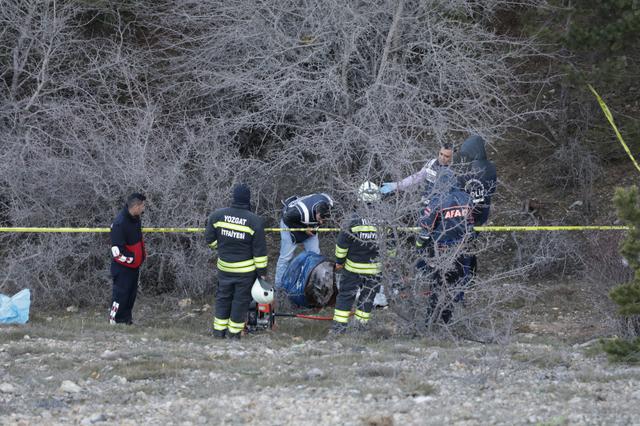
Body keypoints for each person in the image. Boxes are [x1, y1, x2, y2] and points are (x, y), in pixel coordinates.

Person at [205, 184, 268, 339]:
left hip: (224, 268)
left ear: (233, 197)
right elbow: (259, 252)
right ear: (248, 200)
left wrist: (221, 249)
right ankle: (234, 335)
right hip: (245, 272)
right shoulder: (255, 221)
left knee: (223, 299)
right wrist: (262, 274)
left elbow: (209, 239)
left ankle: (218, 333)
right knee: (240, 302)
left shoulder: (217, 216)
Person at [416, 169, 473, 325]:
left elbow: (425, 232)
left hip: (440, 251)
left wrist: (419, 247)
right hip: (461, 251)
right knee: (453, 287)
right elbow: (470, 227)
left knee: (437, 287)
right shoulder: (467, 199)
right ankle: (446, 322)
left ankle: (431, 321)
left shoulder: (436, 201)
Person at [331, 182, 382, 334]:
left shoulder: (352, 220)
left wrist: (339, 262)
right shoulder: (385, 220)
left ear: (359, 198)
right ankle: (360, 329)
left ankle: (338, 329)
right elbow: (391, 246)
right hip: (375, 270)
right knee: (367, 299)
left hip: (353, 268)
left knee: (345, 297)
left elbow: (341, 246)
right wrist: (389, 262)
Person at [274, 193, 334, 287]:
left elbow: (320, 219)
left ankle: (314, 284)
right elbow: (286, 219)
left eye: (325, 220)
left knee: (315, 255)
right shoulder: (300, 212)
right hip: (290, 223)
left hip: (308, 224)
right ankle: (278, 287)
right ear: (317, 212)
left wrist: (313, 228)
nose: (322, 222)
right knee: (286, 257)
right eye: (320, 218)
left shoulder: (329, 204)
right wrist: (304, 229)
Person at [109, 193, 147, 325]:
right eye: (142, 206)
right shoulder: (120, 223)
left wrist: (140, 259)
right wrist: (133, 259)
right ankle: (115, 320)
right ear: (136, 206)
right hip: (122, 267)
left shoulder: (136, 219)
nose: (143, 208)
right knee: (120, 295)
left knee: (130, 296)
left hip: (134, 267)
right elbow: (117, 252)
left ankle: (126, 320)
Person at [379, 143, 454, 198]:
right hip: (426, 200)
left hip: (441, 205)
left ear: (451, 157)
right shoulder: (432, 163)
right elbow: (417, 177)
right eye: (441, 154)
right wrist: (396, 185)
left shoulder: (453, 171)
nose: (442, 158)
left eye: (446, 156)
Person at [455, 135, 497, 227]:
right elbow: (492, 189)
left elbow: (459, 190)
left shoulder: (467, 169)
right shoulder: (490, 166)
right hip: (484, 211)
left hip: (467, 213)